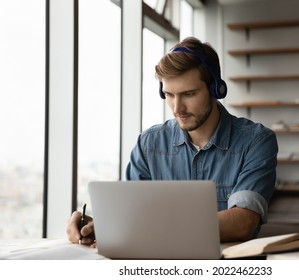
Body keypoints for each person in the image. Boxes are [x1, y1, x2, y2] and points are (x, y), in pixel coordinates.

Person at [67, 36, 278, 245]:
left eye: (189, 94)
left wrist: (149, 228)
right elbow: (131, 215)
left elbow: (242, 223)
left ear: (216, 89)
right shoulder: (148, 144)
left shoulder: (257, 142)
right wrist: (102, 226)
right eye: (169, 94)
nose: (177, 108)